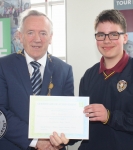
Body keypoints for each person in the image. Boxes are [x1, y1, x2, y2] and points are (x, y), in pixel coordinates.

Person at [49, 9, 133, 150]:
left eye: (114, 34)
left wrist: (109, 116)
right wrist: (65, 138)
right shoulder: (88, 76)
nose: (106, 40)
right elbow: (82, 123)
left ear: (125, 38)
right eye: (101, 35)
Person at [0, 10, 74, 150]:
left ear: (51, 37)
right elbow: (1, 112)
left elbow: (67, 115)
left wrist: (63, 139)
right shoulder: (3, 66)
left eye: (43, 33)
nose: (37, 39)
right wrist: (35, 141)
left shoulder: (65, 70)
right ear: (20, 36)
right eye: (30, 32)